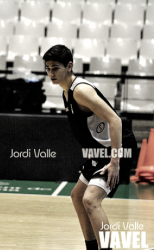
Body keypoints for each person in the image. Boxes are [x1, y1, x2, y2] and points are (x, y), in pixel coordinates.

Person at [43, 45, 136, 250]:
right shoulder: (66, 92)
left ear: (69, 66)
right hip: (99, 151)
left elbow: (116, 121)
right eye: (48, 68)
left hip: (117, 148)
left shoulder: (81, 91)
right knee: (77, 196)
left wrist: (115, 162)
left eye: (55, 68)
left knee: (91, 200)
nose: (51, 73)